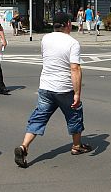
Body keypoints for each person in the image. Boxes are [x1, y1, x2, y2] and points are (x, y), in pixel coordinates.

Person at [14, 13, 92, 168]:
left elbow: (46, 57)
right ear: (68, 23)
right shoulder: (73, 43)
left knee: (39, 117)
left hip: (45, 86)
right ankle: (77, 146)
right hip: (64, 88)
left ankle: (24, 146)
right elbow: (75, 68)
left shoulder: (45, 38)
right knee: (74, 114)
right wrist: (77, 93)